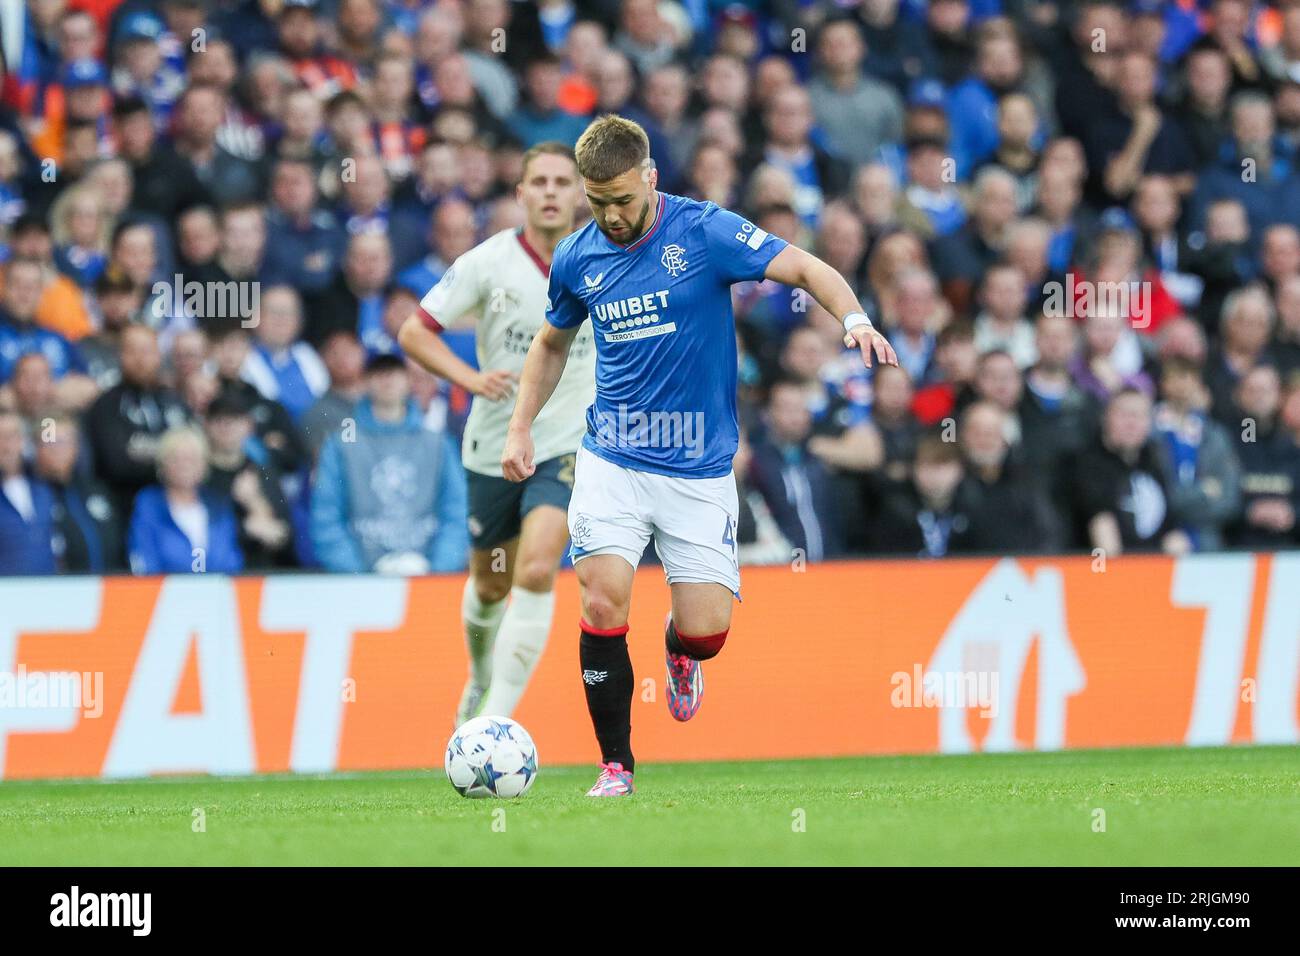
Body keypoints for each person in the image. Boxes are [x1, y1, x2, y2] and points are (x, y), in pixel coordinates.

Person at [500, 115, 897, 796]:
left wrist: (853, 317)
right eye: (598, 203)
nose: (612, 216)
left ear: (650, 178)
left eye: (623, 199)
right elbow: (551, 343)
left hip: (698, 466)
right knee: (601, 601)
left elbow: (800, 264)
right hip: (613, 458)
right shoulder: (576, 256)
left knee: (707, 630)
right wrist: (520, 428)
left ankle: (681, 653)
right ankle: (616, 765)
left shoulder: (705, 231)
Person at [397, 141, 595, 724]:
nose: (553, 192)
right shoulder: (487, 262)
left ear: (580, 193)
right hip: (494, 442)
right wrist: (472, 378)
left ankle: (494, 722)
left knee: (536, 568)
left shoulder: (601, 258)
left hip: (570, 442)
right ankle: (481, 676)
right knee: (490, 584)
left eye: (564, 182)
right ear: (521, 194)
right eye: (540, 182)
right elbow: (414, 331)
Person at [310, 353, 468, 576]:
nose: (387, 379)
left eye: (394, 372)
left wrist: (438, 573)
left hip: (429, 579)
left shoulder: (438, 444)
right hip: (359, 584)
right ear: (365, 381)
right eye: (378, 372)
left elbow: (456, 513)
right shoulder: (339, 446)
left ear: (408, 381)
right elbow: (326, 517)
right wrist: (355, 575)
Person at [127, 425, 244, 575]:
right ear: (162, 465)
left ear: (203, 464)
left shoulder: (219, 506)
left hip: (218, 594)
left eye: (191, 459)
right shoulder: (148, 504)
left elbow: (231, 559)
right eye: (175, 459)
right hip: (163, 594)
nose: (184, 466)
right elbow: (144, 558)